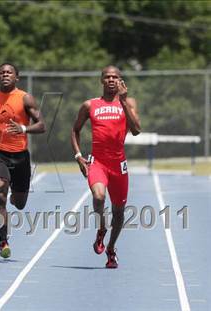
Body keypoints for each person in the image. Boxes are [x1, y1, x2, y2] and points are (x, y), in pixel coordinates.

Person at [0, 63, 46, 258]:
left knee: (19, 204)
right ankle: (3, 242)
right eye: (2, 72)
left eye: (9, 72)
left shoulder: (25, 98)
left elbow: (42, 125)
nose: (5, 75)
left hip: (20, 156)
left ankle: (16, 195)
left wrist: (23, 129)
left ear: (17, 77)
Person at [71, 65, 141, 268]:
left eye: (115, 77)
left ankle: (111, 248)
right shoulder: (89, 105)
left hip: (119, 164)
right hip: (98, 162)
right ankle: (101, 228)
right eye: (107, 77)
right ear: (102, 80)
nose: (111, 80)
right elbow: (75, 130)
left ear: (120, 81)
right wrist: (78, 156)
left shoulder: (128, 102)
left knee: (119, 212)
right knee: (99, 196)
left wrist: (124, 101)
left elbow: (136, 130)